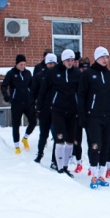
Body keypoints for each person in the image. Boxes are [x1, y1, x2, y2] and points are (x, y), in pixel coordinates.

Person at [37, 48, 81, 177]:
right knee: (59, 138)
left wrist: (80, 107)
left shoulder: (77, 73)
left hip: (72, 110)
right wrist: (39, 107)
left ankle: (66, 166)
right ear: (63, 60)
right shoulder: (53, 72)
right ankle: (60, 167)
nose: (70, 62)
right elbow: (43, 90)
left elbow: (81, 92)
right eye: (68, 60)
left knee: (70, 140)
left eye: (72, 60)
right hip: (57, 110)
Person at [77, 46, 110, 189]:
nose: (105, 60)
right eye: (103, 57)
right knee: (95, 145)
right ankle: (93, 175)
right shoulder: (88, 74)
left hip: (108, 116)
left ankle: (101, 175)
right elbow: (81, 95)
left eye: (107, 57)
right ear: (97, 58)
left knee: (105, 145)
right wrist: (82, 115)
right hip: (93, 116)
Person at [1, 54, 36, 155]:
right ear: (16, 64)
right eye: (21, 64)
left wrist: (34, 97)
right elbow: (4, 86)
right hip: (16, 103)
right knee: (16, 125)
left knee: (33, 121)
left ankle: (25, 138)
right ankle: (16, 146)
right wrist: (6, 95)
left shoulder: (28, 73)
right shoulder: (11, 73)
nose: (23, 66)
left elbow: (32, 86)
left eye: (24, 64)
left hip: (28, 102)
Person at [33, 52, 58, 166]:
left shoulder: (59, 76)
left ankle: (55, 159)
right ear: (46, 63)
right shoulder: (39, 76)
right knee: (43, 134)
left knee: (57, 135)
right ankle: (40, 154)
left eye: (53, 63)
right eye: (50, 63)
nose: (52, 65)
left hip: (57, 109)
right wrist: (36, 108)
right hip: (44, 109)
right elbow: (35, 92)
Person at [72, 55, 92, 173]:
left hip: (89, 114)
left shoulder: (92, 79)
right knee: (76, 140)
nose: (84, 70)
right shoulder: (76, 79)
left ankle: (91, 165)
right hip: (76, 113)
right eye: (82, 68)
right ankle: (79, 162)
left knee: (91, 140)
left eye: (86, 68)